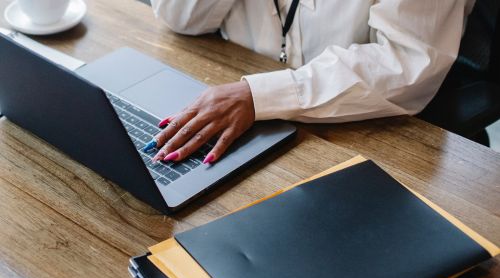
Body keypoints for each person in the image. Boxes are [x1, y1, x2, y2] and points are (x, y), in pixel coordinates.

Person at [147, 0, 475, 164]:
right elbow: (181, 17)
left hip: (363, 137)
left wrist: (259, 96)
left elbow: (405, 62)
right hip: (230, 93)